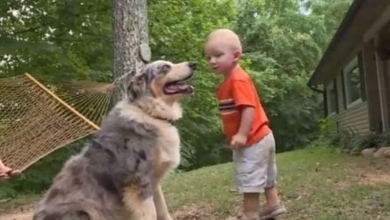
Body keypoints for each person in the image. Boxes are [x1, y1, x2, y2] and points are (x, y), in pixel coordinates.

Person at [204, 29, 286, 220]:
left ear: (236, 56)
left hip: (253, 140)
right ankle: (273, 206)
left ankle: (250, 215)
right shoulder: (231, 80)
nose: (212, 61)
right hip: (263, 136)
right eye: (208, 57)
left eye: (218, 55)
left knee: (250, 182)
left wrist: (241, 134)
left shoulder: (237, 79)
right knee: (266, 177)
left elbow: (248, 108)